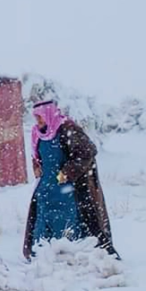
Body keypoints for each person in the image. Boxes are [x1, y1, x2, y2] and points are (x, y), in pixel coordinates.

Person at [22, 100, 120, 260]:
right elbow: (37, 155)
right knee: (43, 219)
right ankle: (41, 255)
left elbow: (87, 152)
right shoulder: (37, 133)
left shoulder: (67, 129)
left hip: (65, 188)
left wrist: (66, 173)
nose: (38, 121)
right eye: (36, 118)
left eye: (40, 117)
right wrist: (37, 166)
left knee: (66, 219)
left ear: (49, 114)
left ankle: (70, 255)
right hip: (45, 187)